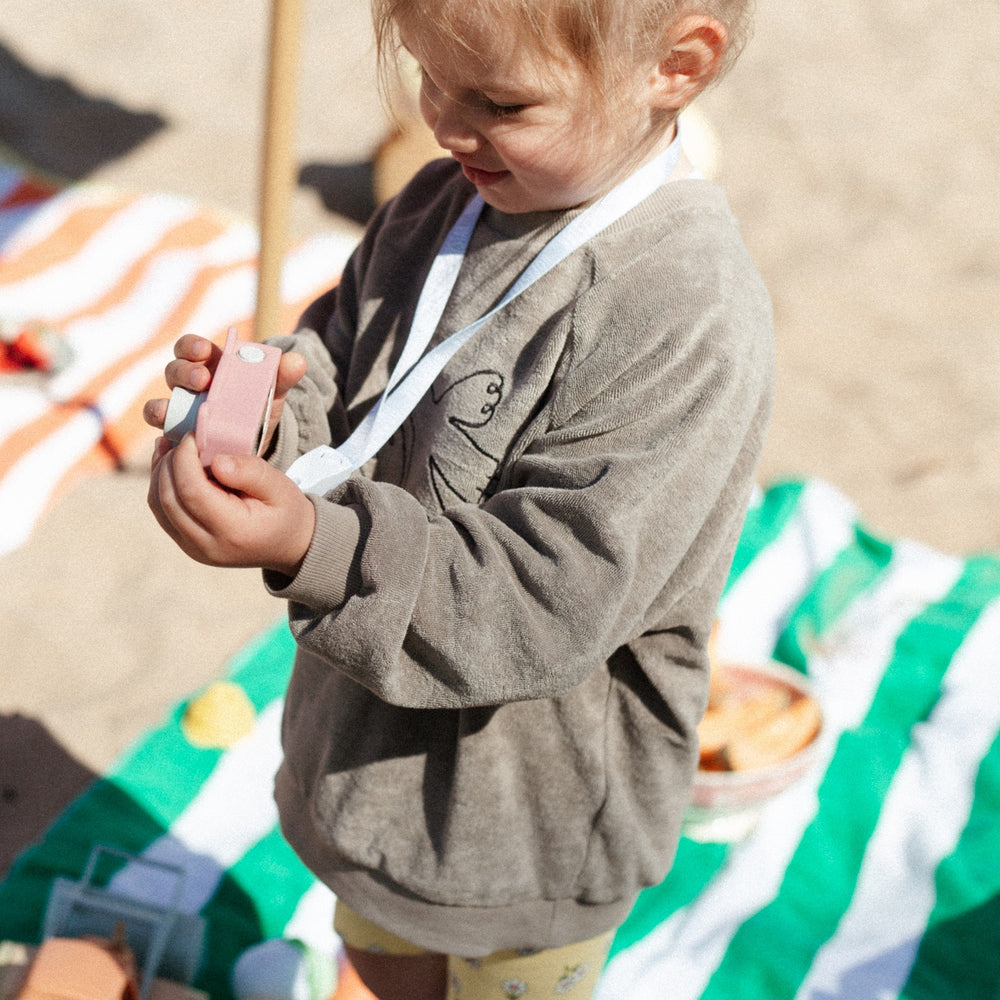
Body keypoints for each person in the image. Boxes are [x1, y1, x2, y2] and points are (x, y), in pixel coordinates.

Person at [144, 0, 773, 995]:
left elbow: (544, 602)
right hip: (366, 780)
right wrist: (261, 425)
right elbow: (341, 370)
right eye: (430, 78)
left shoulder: (681, 312)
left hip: (522, 836)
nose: (445, 123)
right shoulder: (439, 204)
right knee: (381, 958)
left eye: (499, 99)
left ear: (676, 66)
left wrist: (315, 542)